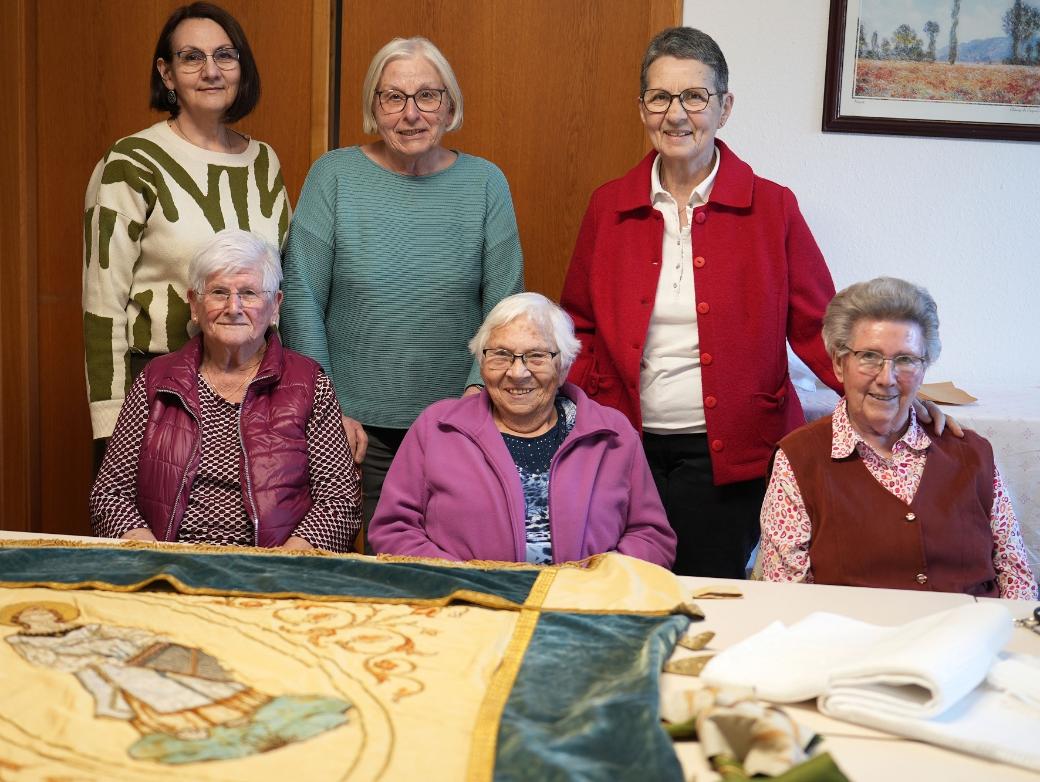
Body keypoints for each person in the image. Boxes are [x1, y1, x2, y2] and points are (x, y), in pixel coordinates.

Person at [280, 36, 523, 525]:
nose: (411, 113)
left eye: (427, 96)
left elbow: (505, 304)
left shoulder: (485, 183)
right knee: (357, 577)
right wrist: (328, 412)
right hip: (351, 426)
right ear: (374, 105)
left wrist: (477, 397)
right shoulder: (333, 175)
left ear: (449, 104)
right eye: (393, 97)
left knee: (448, 566)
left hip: (457, 422)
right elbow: (301, 296)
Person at [83, 2, 290, 471]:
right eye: (192, 57)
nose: (211, 70)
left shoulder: (264, 162)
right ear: (167, 73)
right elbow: (102, 302)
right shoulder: (131, 162)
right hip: (159, 387)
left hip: (255, 387)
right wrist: (110, 425)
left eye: (225, 55)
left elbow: (279, 286)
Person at [760, 277, 1037, 600]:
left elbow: (1015, 575)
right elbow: (786, 597)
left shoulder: (972, 453)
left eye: (905, 360)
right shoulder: (799, 460)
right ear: (839, 364)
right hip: (858, 645)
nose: (887, 378)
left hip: (973, 640)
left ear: (923, 368)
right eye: (869, 357)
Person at [90, 229, 361, 552]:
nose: (234, 307)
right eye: (219, 292)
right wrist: (152, 554)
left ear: (275, 306)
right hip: (169, 563)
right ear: (194, 304)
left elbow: (340, 501)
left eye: (248, 293)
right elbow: (109, 493)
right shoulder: (156, 380)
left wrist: (288, 560)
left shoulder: (309, 383)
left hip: (274, 571)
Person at [368, 293, 676, 568]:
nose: (518, 372)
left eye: (537, 356)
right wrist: (465, 580)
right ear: (481, 361)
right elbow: (394, 530)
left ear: (564, 366)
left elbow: (652, 537)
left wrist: (602, 581)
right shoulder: (437, 428)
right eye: (501, 354)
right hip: (467, 607)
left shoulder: (612, 433)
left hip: (585, 608)